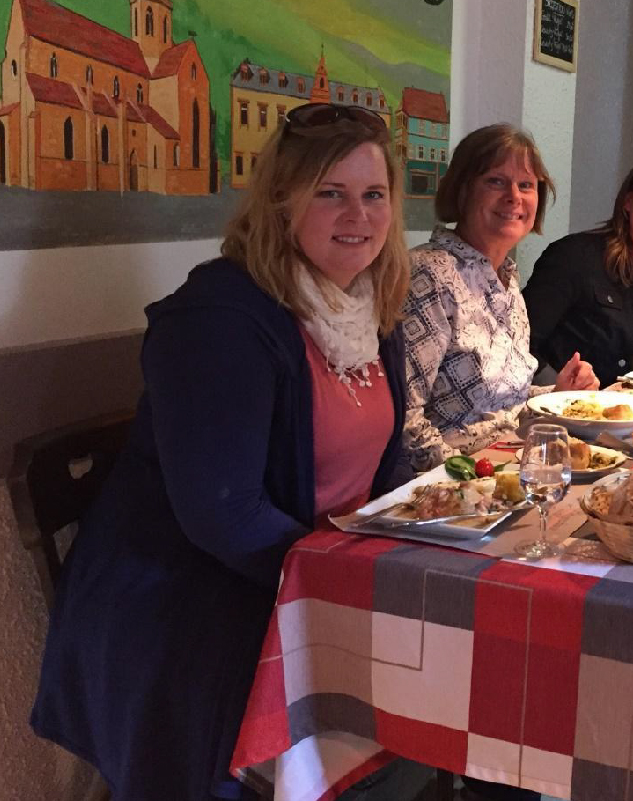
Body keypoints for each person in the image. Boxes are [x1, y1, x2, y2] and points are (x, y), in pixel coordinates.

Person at [31, 103, 432, 800]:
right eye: (330, 193)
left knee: (437, 678)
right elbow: (225, 517)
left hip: (298, 579)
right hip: (188, 610)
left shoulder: (366, 306)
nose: (358, 215)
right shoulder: (220, 317)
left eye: (374, 195)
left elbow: (383, 464)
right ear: (282, 202)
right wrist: (346, 587)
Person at [400, 123, 597, 475]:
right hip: (447, 491)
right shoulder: (429, 274)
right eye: (495, 181)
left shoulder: (505, 279)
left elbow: (505, 408)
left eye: (526, 185)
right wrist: (474, 480)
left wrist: (559, 394)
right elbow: (404, 420)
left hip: (510, 471)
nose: (514, 197)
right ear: (461, 191)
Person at [524, 154, 633, 386]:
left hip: (606, 412)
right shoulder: (573, 256)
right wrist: (557, 391)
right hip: (554, 412)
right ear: (628, 201)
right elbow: (518, 346)